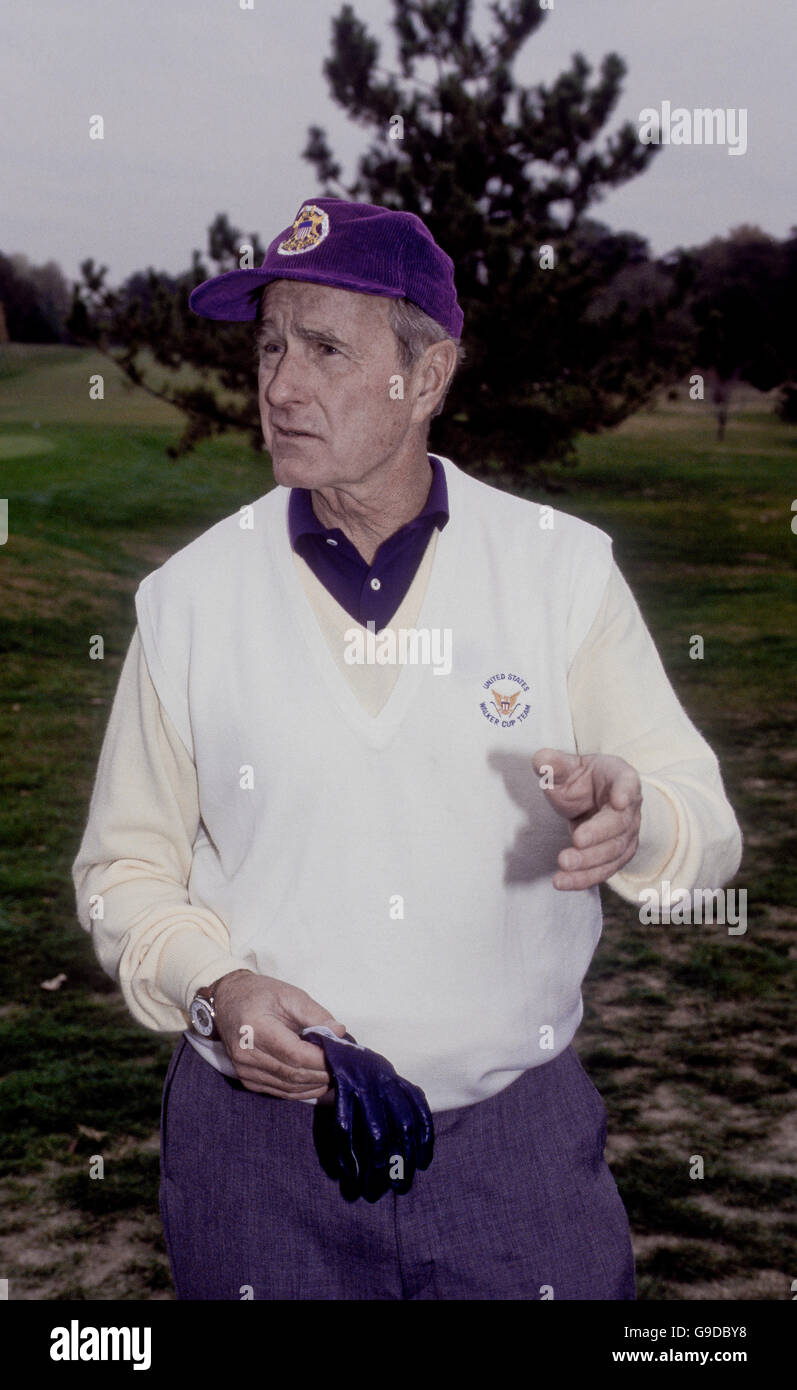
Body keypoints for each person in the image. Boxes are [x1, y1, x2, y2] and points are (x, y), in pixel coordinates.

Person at [72, 197, 742, 1301]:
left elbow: (701, 833)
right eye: (271, 345)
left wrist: (641, 817)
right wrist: (215, 987)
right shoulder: (188, 598)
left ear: (426, 379)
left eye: (326, 348)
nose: (280, 384)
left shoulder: (559, 572)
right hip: (257, 1159)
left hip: (513, 1156)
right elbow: (123, 871)